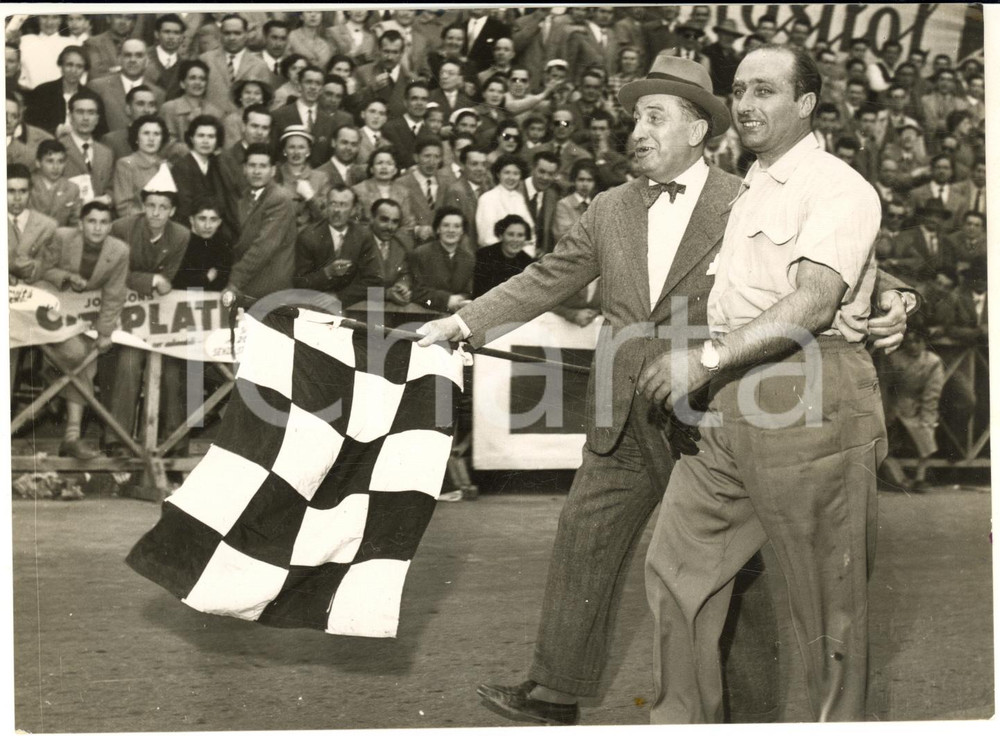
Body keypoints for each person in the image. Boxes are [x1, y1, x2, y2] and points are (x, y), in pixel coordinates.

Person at [416, 54, 911, 727]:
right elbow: (545, 278)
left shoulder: (746, 195)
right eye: (635, 119)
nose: (637, 132)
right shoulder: (608, 207)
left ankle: (749, 711)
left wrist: (892, 294)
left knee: (743, 578)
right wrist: (464, 322)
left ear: (698, 130)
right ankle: (558, 690)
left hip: (714, 403)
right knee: (594, 542)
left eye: (655, 117)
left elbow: (826, 266)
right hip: (623, 403)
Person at [639, 44, 894, 724]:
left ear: (805, 104)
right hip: (732, 400)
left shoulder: (837, 185)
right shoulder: (749, 182)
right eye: (741, 90)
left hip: (813, 391)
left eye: (766, 91)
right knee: (676, 565)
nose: (746, 105)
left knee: (825, 607)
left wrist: (707, 359)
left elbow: (814, 300)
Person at [105, 168, 191, 457]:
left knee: (171, 373)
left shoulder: (181, 236)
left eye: (163, 207)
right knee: (129, 367)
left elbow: (172, 276)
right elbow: (117, 270)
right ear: (143, 206)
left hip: (163, 316)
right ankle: (117, 440)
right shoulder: (123, 228)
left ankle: (172, 442)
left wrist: (158, 281)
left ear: (173, 210)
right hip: (130, 313)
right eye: (151, 206)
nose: (156, 213)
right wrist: (150, 280)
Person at [41, 201, 128, 459]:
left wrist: (104, 332)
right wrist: (65, 277)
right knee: (78, 356)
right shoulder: (61, 237)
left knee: (85, 355)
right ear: (80, 223)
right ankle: (71, 433)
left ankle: (71, 434)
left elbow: (115, 294)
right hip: (51, 310)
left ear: (110, 226)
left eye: (103, 222)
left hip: (84, 318)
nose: (97, 228)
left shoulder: (119, 250)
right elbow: (43, 269)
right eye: (92, 221)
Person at [224, 143, 298, 305]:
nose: (256, 171)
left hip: (269, 288)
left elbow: (263, 247)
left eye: (263, 166)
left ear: (273, 170)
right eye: (252, 165)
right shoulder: (243, 197)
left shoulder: (279, 198)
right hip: (248, 285)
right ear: (244, 168)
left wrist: (234, 281)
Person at [292, 184, 381, 309]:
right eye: (333, 204)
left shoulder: (363, 236)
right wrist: (327, 272)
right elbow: (299, 282)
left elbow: (374, 280)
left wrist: (339, 297)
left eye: (343, 205)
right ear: (326, 206)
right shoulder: (308, 236)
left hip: (352, 303)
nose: (336, 210)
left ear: (354, 209)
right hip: (316, 303)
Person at [88, 39, 166, 134]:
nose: (133, 60)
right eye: (127, 55)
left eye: (139, 55)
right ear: (119, 59)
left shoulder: (158, 93)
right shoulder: (98, 87)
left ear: (147, 61)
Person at [409, 206, 476, 313]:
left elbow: (468, 291)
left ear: (462, 231)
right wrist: (447, 299)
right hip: (423, 314)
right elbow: (417, 292)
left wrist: (461, 300)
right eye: (446, 225)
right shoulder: (421, 253)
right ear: (438, 229)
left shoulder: (468, 258)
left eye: (457, 226)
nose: (451, 230)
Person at [158, 60, 225, 154]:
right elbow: (166, 145)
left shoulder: (215, 113)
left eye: (202, 79)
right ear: (182, 83)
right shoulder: (169, 109)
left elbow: (219, 146)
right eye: (192, 78)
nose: (198, 82)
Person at [273, 125, 330, 230]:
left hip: (310, 239)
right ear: (284, 151)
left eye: (301, 147)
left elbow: (325, 218)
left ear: (308, 151)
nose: (296, 152)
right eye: (291, 147)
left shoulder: (321, 178)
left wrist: (310, 198)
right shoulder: (274, 176)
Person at [112, 114, 170, 217]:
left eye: (156, 134)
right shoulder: (126, 164)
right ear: (136, 137)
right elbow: (124, 207)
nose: (151, 139)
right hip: (137, 224)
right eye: (146, 133)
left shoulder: (167, 166)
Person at [475, 153, 534, 249]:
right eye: (507, 173)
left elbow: (530, 234)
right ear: (498, 174)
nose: (511, 177)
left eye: (516, 173)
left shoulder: (519, 198)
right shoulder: (487, 199)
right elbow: (486, 238)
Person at [472, 213, 534, 298]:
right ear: (501, 235)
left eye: (520, 235)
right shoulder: (483, 256)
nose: (515, 240)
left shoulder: (527, 262)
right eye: (510, 234)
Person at [30, 140, 82, 228]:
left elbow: (75, 223)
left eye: (60, 161)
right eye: (50, 161)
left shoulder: (72, 188)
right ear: (38, 163)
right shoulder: (28, 186)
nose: (56, 167)